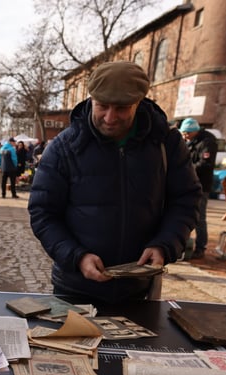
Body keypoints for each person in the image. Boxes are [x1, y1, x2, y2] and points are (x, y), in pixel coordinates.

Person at [28, 61, 201, 303]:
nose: (110, 117)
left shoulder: (166, 143)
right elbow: (42, 213)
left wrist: (164, 245)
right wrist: (77, 256)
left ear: (138, 103)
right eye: (102, 106)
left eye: (121, 108)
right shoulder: (63, 147)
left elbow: (186, 201)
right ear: (91, 100)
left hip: (139, 289)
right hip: (75, 287)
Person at [179, 118, 217, 260]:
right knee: (183, 215)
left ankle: (200, 248)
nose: (185, 137)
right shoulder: (190, 141)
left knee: (199, 218)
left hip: (201, 186)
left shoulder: (208, 142)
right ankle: (182, 246)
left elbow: (205, 164)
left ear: (194, 131)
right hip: (187, 184)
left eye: (187, 134)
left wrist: (185, 169)